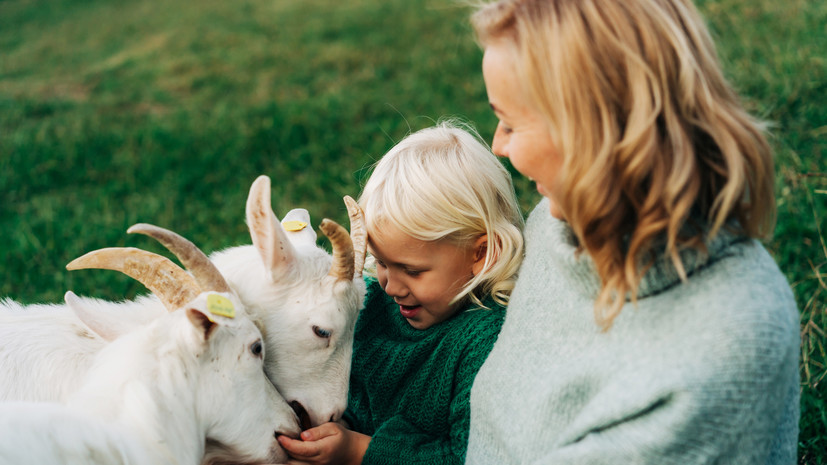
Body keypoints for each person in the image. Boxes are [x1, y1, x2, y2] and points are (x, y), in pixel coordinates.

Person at [465, 0, 801, 463]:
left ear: (592, 132)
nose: (498, 145)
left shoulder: (731, 342)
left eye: (510, 122)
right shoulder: (555, 226)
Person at [277, 121, 525, 464]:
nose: (390, 286)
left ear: (480, 254)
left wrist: (357, 451)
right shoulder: (373, 305)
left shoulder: (486, 343)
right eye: (380, 262)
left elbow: (467, 455)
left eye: (412, 271)